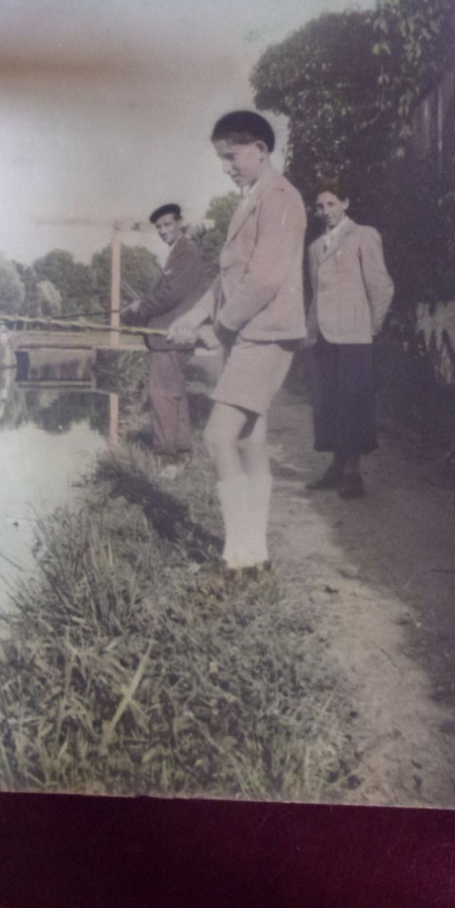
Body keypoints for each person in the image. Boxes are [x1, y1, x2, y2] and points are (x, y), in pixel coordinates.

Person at [168, 110, 307, 578]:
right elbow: (230, 279)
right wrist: (193, 315)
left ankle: (238, 557)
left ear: (261, 150)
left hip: (265, 334)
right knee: (249, 440)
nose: (227, 166)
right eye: (221, 159)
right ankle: (256, 555)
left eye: (232, 156)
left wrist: (220, 328)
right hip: (254, 332)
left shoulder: (281, 197)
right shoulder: (253, 199)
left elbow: (265, 278)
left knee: (217, 437)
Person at [305, 178, 394, 498]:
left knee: (353, 403)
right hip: (323, 336)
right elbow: (316, 295)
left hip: (355, 335)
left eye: (331, 204)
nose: (325, 211)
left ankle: (353, 472)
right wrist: (310, 330)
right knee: (327, 404)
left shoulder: (363, 236)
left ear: (345, 204)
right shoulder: (315, 247)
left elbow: (381, 286)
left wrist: (370, 327)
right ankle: (336, 465)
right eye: (320, 206)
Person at [123, 203, 205, 471]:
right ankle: (181, 452)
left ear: (180, 223)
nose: (163, 231)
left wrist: (140, 308)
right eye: (159, 227)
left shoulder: (186, 252)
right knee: (174, 394)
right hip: (172, 335)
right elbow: (168, 292)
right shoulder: (179, 252)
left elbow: (172, 294)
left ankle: (166, 457)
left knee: (161, 396)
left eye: (168, 225)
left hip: (170, 336)